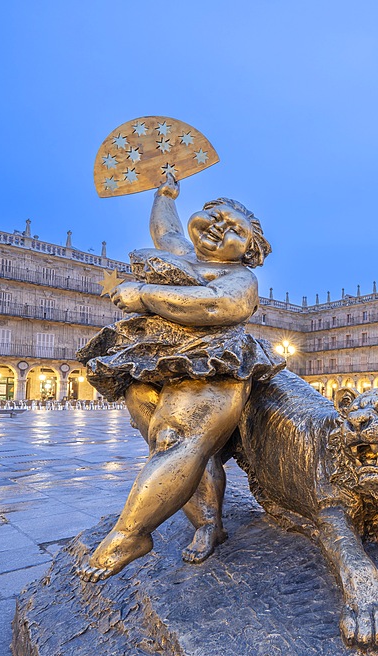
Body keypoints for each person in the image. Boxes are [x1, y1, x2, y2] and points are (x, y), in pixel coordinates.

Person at [75, 177, 284, 582]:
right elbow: (166, 230)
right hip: (156, 359)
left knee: (177, 440)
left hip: (215, 363)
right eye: (216, 216)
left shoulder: (241, 278)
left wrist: (145, 295)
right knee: (172, 447)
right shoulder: (182, 254)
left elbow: (218, 304)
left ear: (250, 252)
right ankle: (209, 523)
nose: (220, 228)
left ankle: (130, 535)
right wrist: (165, 196)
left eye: (235, 230)